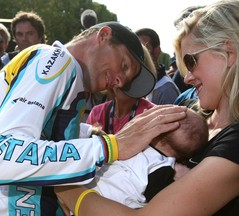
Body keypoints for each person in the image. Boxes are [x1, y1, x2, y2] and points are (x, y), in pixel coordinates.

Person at [54, 1, 239, 215]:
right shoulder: (186, 109)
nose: (187, 78)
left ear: (229, 52)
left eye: (191, 61)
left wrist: (63, 184)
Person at [0, 20, 187, 216]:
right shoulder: (59, 60)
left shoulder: (73, 82)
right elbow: (4, 154)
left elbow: (39, 135)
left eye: (126, 80)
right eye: (124, 66)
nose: (120, 81)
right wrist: (109, 147)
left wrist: (89, 135)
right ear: (103, 36)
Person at [135, 28, 180, 105]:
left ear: (157, 51)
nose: (138, 54)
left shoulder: (166, 90)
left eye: (144, 48)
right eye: (135, 49)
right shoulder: (141, 86)